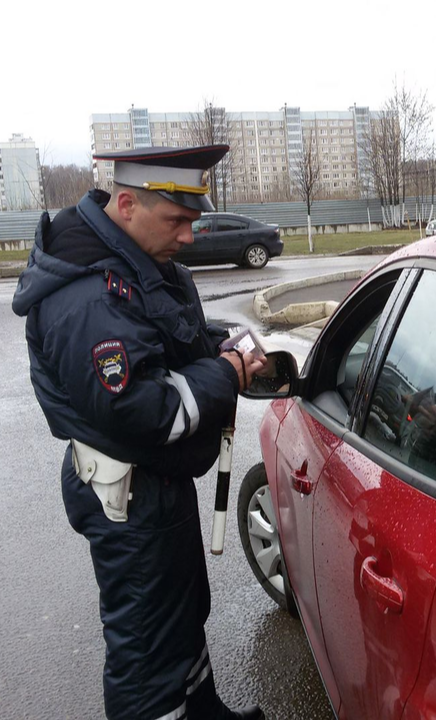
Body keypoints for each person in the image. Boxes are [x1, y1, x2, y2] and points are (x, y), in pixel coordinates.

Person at [12, 145, 266, 720]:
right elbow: (144, 409)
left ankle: (203, 710)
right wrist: (224, 373)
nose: (189, 237)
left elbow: (166, 336)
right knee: (147, 648)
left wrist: (217, 343)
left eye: (194, 222)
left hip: (154, 486)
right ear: (126, 203)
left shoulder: (129, 261)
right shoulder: (86, 295)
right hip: (126, 494)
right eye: (177, 221)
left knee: (181, 613)